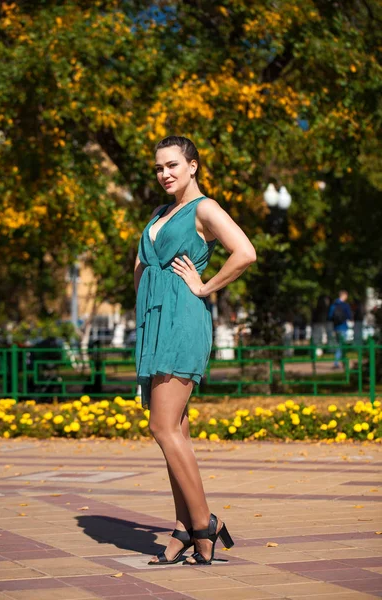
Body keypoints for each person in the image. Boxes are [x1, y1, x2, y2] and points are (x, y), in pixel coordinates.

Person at [134, 135, 256, 566]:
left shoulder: (203, 209)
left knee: (162, 428)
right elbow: (141, 268)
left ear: (193, 166)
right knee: (176, 433)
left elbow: (245, 252)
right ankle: (186, 527)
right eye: (158, 167)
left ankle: (205, 523)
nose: (164, 173)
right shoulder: (158, 213)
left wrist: (205, 286)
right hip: (154, 323)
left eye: (172, 165)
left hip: (183, 319)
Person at [328, 290, 353, 368]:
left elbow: (329, 316)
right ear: (344, 295)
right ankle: (337, 362)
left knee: (339, 345)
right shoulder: (345, 305)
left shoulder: (333, 305)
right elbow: (349, 316)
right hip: (343, 327)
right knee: (341, 346)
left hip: (336, 328)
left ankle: (341, 362)